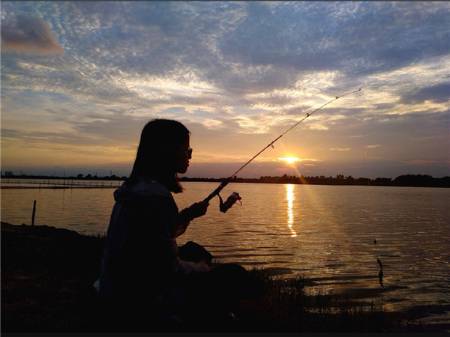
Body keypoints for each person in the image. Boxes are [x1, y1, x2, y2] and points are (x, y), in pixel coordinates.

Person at [97, 119, 252, 331]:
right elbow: (166, 270)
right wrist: (202, 270)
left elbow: (154, 236)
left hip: (113, 286)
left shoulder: (135, 190)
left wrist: (189, 215)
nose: (190, 155)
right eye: (186, 149)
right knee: (233, 274)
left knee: (194, 250)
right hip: (136, 301)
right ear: (167, 151)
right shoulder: (156, 198)